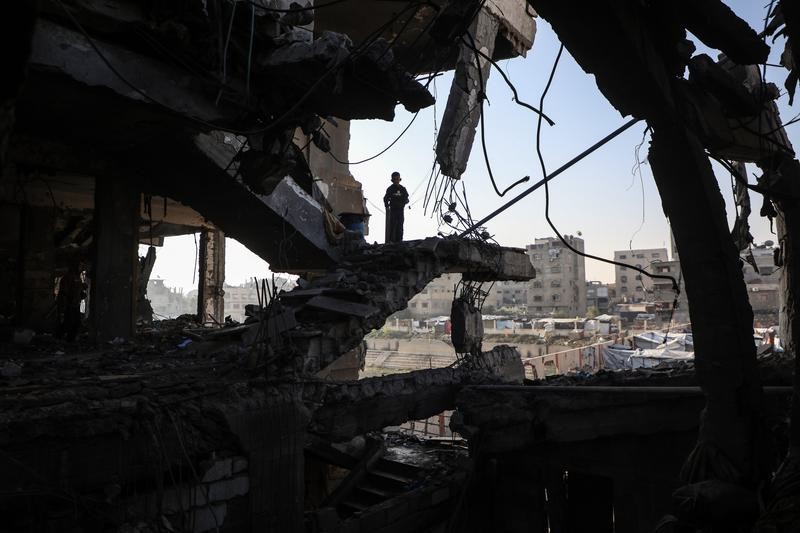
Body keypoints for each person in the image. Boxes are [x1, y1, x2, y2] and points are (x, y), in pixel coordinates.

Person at [383, 171, 409, 243]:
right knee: (392, 226)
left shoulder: (403, 189)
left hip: (401, 211)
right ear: (392, 180)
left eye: (397, 179)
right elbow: (385, 198)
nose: (396, 181)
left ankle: (399, 241)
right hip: (393, 210)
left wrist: (405, 202)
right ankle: (391, 241)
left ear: (399, 179)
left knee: (400, 226)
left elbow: (406, 198)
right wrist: (387, 206)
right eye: (395, 179)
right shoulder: (390, 189)